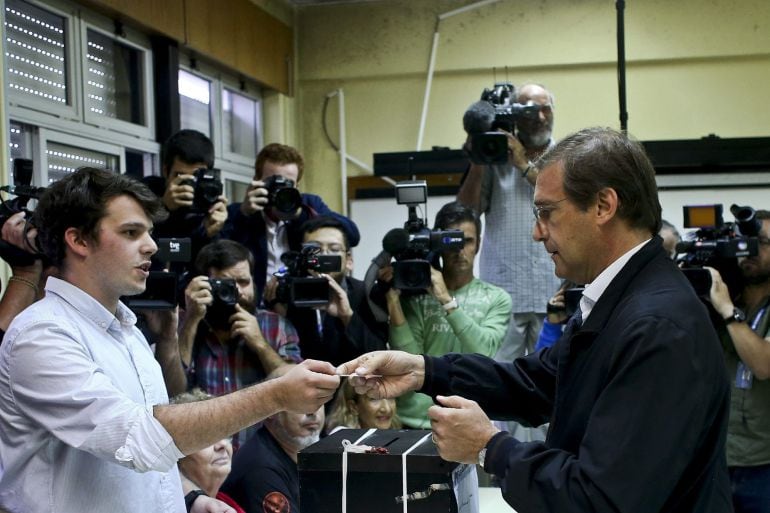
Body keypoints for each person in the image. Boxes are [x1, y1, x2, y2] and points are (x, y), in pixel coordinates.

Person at [339, 127, 732, 512]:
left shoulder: (657, 326)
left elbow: (600, 499)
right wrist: (425, 371)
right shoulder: (622, 301)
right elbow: (535, 382)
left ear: (603, 206)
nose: (536, 233)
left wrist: (490, 447)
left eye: (546, 213)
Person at [0, 167, 340, 513]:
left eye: (149, 232)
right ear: (79, 240)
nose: (150, 246)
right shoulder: (42, 335)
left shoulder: (128, 331)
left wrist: (189, 499)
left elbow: (146, 463)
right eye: (131, 232)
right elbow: (138, 439)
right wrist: (276, 395)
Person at [457, 83, 561, 362]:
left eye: (545, 108)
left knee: (551, 378)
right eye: (530, 110)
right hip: (504, 294)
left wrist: (523, 164)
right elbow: (466, 211)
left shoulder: (566, 156)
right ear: (514, 117)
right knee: (500, 380)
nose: (540, 117)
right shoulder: (494, 159)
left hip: (551, 292)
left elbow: (567, 198)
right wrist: (480, 156)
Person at [384, 201, 511, 428]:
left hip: (467, 422)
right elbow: (408, 360)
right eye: (452, 241)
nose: (460, 250)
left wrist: (446, 300)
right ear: (438, 244)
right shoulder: (416, 295)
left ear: (478, 244)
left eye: (467, 241)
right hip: (412, 421)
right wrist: (393, 300)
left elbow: (483, 351)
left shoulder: (497, 298)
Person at [179, 239, 302, 450]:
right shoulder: (184, 324)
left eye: (244, 282)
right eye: (225, 285)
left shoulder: (275, 326)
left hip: (261, 461)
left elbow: (297, 390)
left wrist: (261, 345)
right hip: (202, 458)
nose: (237, 293)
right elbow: (170, 394)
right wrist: (191, 321)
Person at [221, 143, 360, 304]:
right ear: (256, 181)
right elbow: (220, 257)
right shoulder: (239, 212)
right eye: (273, 182)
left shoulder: (308, 204)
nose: (280, 190)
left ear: (297, 186)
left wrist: (299, 214)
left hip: (299, 306)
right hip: (251, 306)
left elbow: (352, 235)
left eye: (287, 184)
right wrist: (244, 215)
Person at [706, 209, 770, 513]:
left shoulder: (726, 306)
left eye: (764, 242)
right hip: (717, 457)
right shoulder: (720, 297)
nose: (752, 251)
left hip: (763, 464)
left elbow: (763, 365)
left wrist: (728, 311)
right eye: (745, 242)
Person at [269, 216, 388, 366]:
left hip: (354, 385)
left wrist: (348, 316)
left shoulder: (368, 293)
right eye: (313, 249)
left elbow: (380, 355)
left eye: (334, 249)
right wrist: (280, 312)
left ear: (349, 261)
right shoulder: (288, 294)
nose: (324, 255)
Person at [221, 365, 324, 513]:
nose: (313, 411)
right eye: (301, 400)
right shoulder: (260, 469)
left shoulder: (308, 452)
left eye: (318, 399)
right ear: (270, 410)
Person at [151, 129, 228, 262]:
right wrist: (163, 207)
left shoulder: (210, 201)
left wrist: (211, 234)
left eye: (195, 178)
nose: (188, 186)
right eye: (180, 176)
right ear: (165, 171)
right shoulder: (146, 194)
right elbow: (151, 253)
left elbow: (220, 266)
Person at [174, 389, 246, 513]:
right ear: (177, 454)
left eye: (224, 433)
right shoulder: (168, 507)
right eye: (205, 438)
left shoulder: (226, 502)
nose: (222, 445)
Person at [325, 378, 401, 433]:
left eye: (391, 398)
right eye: (374, 399)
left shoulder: (398, 436)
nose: (387, 409)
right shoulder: (342, 438)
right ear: (354, 407)